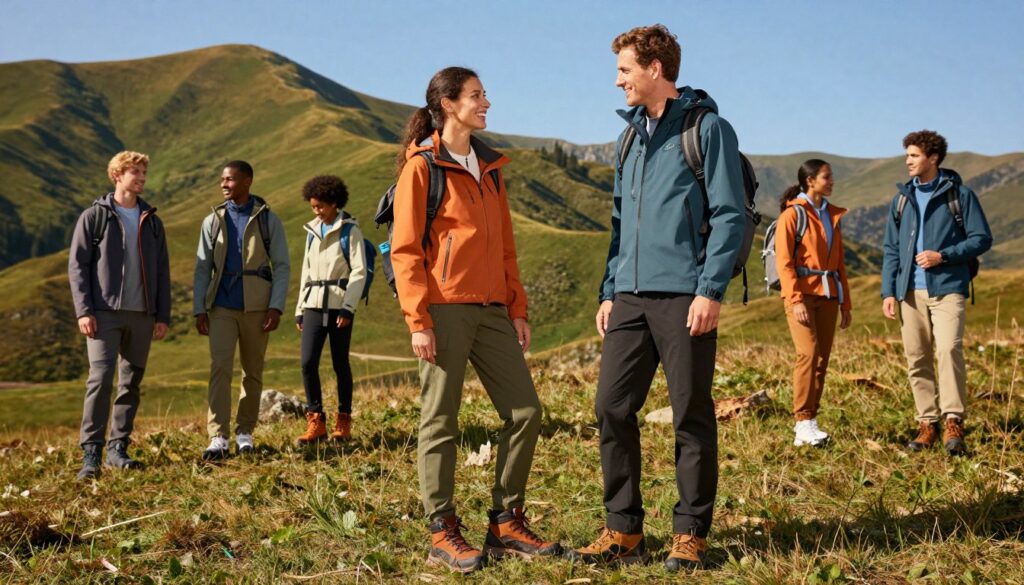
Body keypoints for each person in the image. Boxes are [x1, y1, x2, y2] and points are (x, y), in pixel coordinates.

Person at [568, 25, 747, 572]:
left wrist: (710, 289)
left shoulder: (708, 130)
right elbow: (620, 224)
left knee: (690, 413)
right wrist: (608, 290)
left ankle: (689, 533)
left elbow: (730, 215)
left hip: (685, 296)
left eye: (625, 69)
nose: (618, 79)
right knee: (611, 407)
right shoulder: (628, 138)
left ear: (654, 68)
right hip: (629, 297)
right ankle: (624, 531)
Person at [390, 66, 562, 573]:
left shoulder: (491, 167)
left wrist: (518, 307)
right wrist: (418, 319)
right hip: (443, 308)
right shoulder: (422, 167)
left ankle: (506, 520)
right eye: (476, 96)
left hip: (492, 310)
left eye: (485, 94)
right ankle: (442, 529)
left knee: (525, 411)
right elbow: (405, 251)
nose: (486, 102)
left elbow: (505, 246)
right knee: (440, 417)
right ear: (447, 105)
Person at [881, 130, 992, 455]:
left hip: (948, 289)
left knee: (948, 350)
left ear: (933, 158)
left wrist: (943, 255)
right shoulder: (901, 199)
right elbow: (890, 248)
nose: (908, 162)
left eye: (914, 156)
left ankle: (953, 421)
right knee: (917, 358)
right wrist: (889, 290)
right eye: (907, 156)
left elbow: (981, 238)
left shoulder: (960, 195)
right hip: (908, 292)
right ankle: (927, 423)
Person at [68, 151, 171, 480]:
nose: (141, 177)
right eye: (135, 172)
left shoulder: (152, 221)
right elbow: (78, 267)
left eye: (143, 172)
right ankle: (91, 454)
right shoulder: (94, 217)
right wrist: (84, 310)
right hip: (104, 314)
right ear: (117, 175)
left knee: (131, 383)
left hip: (142, 314)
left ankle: (118, 449)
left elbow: (162, 272)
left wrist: (161, 315)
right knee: (100, 380)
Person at [193, 160, 290, 460]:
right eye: (222, 179)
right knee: (220, 368)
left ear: (247, 181)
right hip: (221, 306)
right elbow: (202, 269)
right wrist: (200, 308)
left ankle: (245, 433)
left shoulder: (267, 219)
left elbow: (282, 266)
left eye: (231, 180)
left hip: (258, 308)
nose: (224, 184)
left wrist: (275, 306)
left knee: (253, 372)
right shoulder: (212, 220)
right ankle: (218, 437)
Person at [775, 159, 853, 447]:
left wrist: (845, 303)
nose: (831, 182)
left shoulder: (832, 215)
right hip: (802, 296)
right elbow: (784, 263)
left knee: (821, 359)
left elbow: (840, 264)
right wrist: (795, 299)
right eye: (826, 177)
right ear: (810, 181)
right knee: (807, 354)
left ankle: (811, 422)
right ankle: (802, 422)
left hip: (829, 295)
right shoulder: (792, 215)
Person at [293, 175, 366, 444]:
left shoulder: (351, 231)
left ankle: (343, 422)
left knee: (340, 364)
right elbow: (306, 272)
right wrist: (300, 308)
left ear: (334, 203)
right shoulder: (311, 232)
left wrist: (348, 307)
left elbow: (359, 272)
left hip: (338, 306)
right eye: (313, 207)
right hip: (313, 305)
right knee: (307, 363)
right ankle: (316, 422)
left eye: (320, 206)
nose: (317, 212)